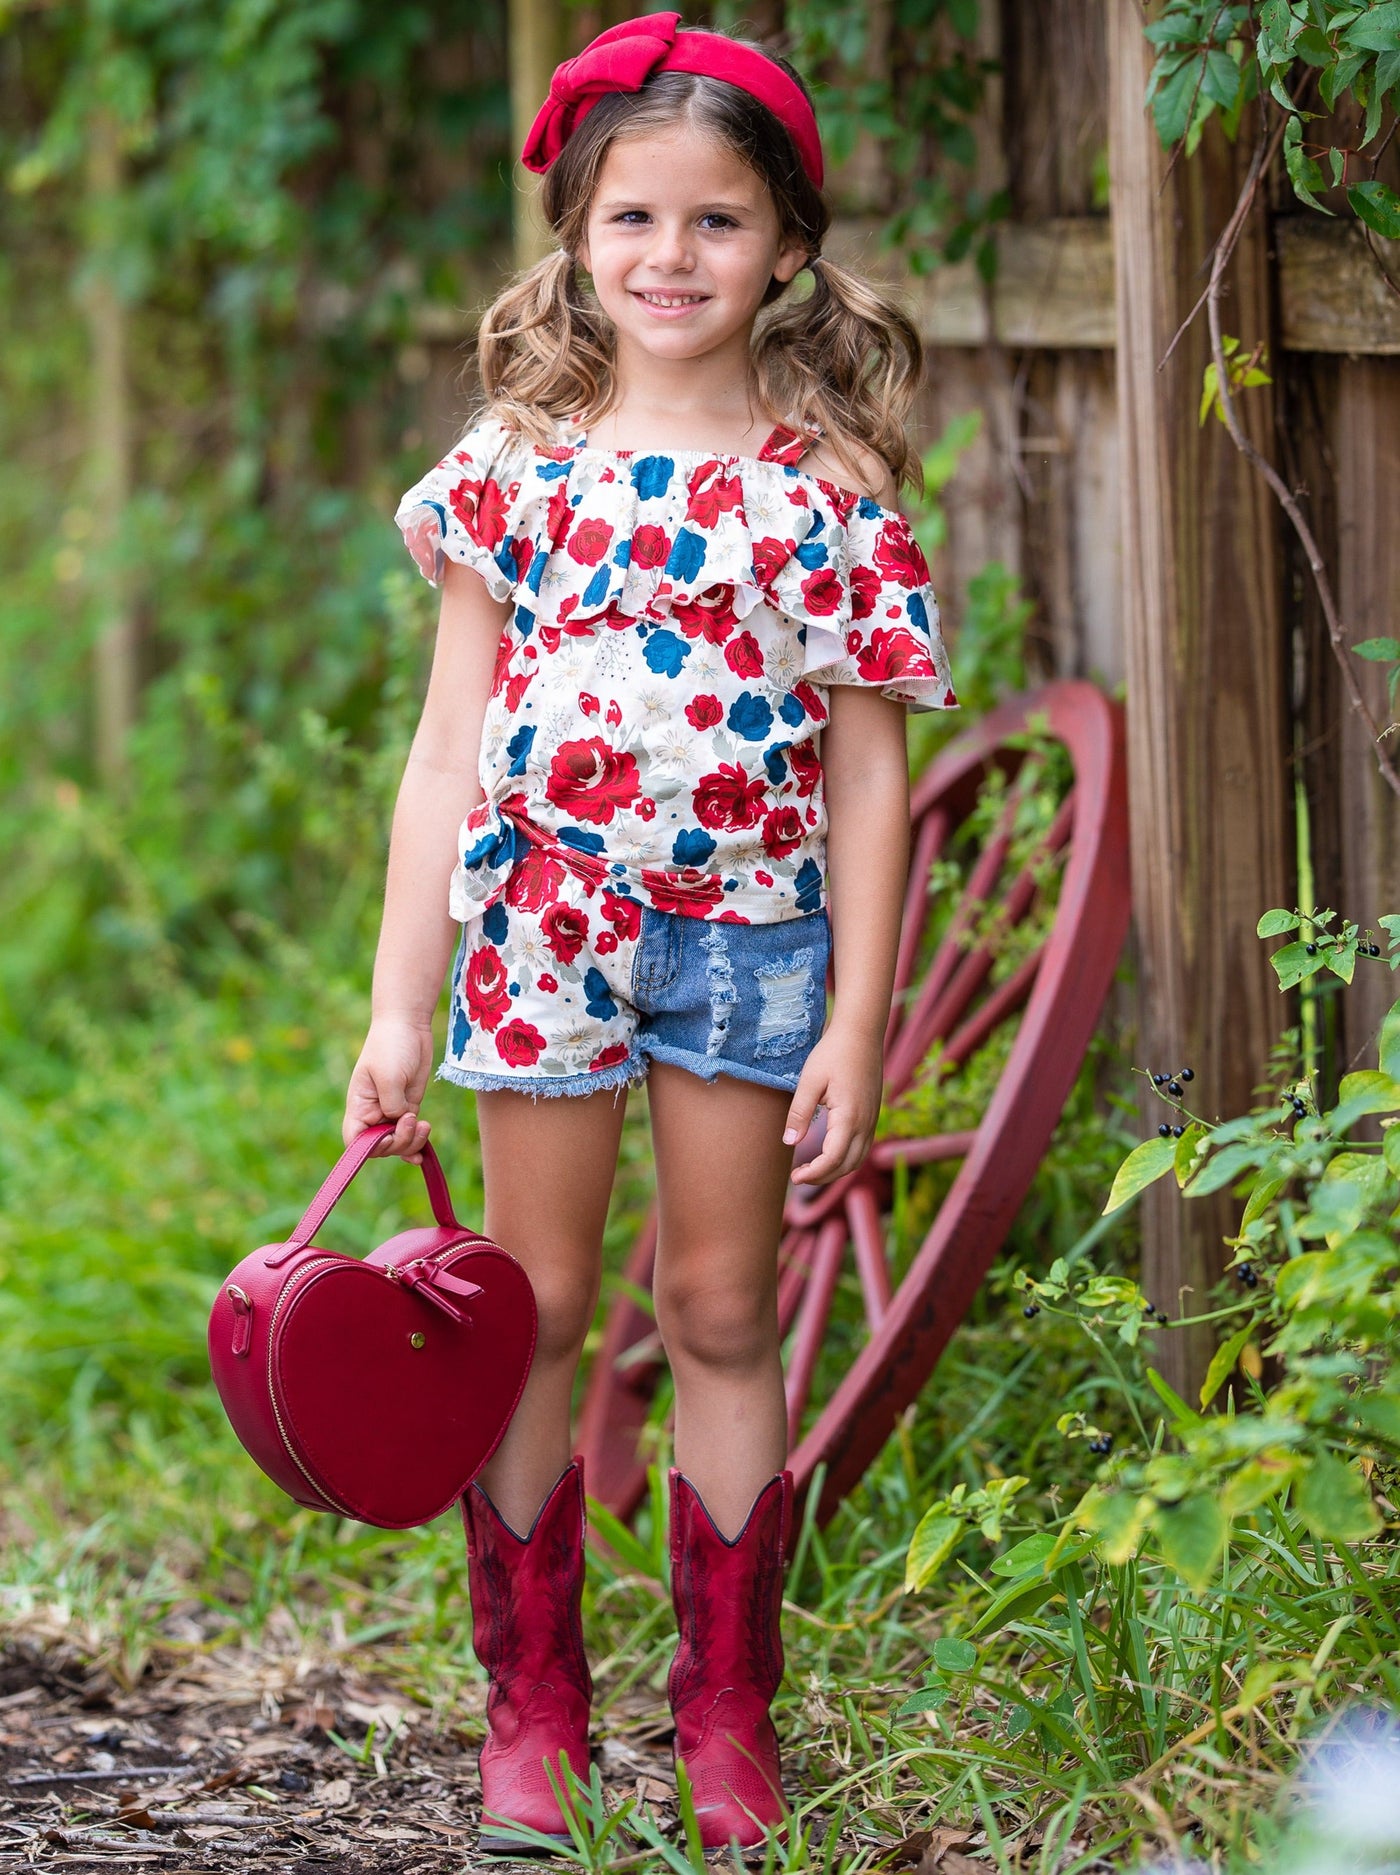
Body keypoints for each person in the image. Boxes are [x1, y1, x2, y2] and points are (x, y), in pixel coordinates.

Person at [343, 9, 956, 1854]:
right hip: (539, 938)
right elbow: (447, 749)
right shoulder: (514, 471)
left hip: (749, 947)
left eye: (714, 222)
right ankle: (534, 1706)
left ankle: (726, 1718)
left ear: (785, 246)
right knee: (528, 1320)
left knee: (715, 1306)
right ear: (575, 236)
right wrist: (395, 1007)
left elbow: (867, 783)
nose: (670, 258)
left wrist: (857, 1019)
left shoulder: (824, 497)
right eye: (633, 219)